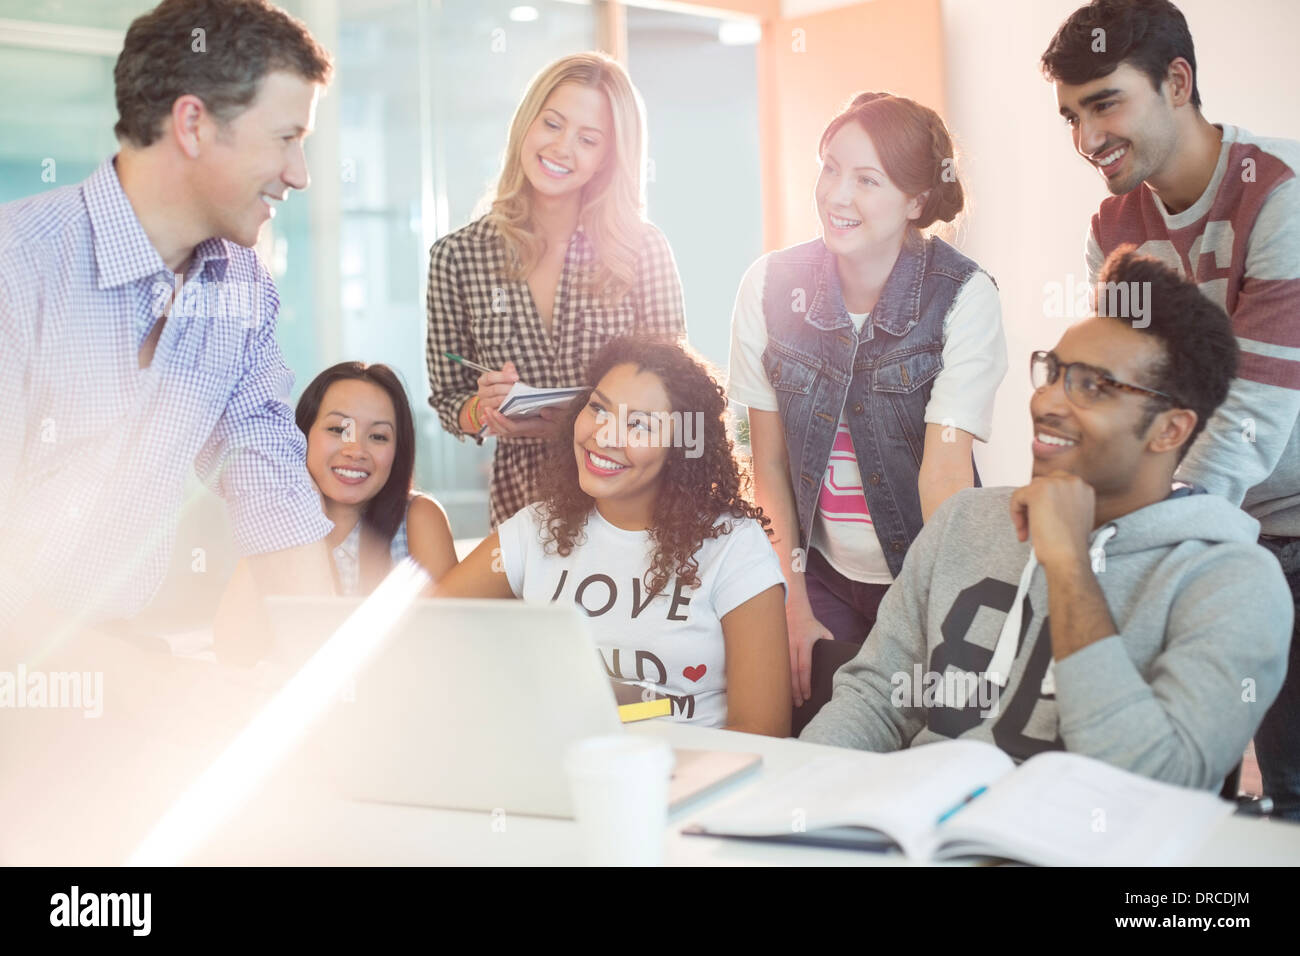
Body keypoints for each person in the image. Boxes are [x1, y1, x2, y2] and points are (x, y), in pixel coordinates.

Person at [800, 249, 1292, 791]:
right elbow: (875, 702)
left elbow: (1155, 779)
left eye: (1092, 386)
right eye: (1053, 373)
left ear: (1170, 430)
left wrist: (1069, 565)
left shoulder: (1235, 582)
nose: (1048, 402)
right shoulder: (965, 520)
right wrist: (792, 806)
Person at [0, 0, 335, 649]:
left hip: (109, 654)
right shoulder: (17, 270)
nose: (300, 174)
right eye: (286, 138)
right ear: (193, 124)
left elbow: (276, 500)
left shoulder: (242, 286)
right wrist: (140, 682)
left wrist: (334, 679)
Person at [1044, 0, 1300, 816]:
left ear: (1177, 82)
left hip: (1281, 519)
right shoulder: (1113, 223)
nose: (1087, 140)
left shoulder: (1280, 196)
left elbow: (1251, 419)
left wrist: (1142, 540)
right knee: (1180, 791)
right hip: (1189, 523)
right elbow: (1118, 393)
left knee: (1290, 789)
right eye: (1071, 116)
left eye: (1105, 103)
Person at [727, 92, 1007, 710]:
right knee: (817, 725)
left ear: (916, 201)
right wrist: (789, 597)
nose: (836, 195)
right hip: (818, 573)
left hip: (922, 571)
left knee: (922, 738)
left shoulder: (963, 296)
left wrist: (942, 608)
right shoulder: (771, 287)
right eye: (830, 167)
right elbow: (766, 462)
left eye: (866, 180)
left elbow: (945, 473)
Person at [434, 336, 790, 737]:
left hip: (687, 781)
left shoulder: (732, 545)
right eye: (598, 409)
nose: (604, 436)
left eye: (639, 424)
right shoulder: (535, 529)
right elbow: (423, 629)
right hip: (558, 776)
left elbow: (763, 730)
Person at [425, 52, 687, 530]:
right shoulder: (457, 256)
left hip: (628, 493)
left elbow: (678, 392)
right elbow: (447, 396)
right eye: (552, 124)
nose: (563, 148)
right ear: (527, 123)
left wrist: (588, 412)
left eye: (588, 139)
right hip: (521, 500)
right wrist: (481, 410)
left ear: (609, 156)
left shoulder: (642, 248)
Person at [297, 362, 458, 595]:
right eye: (338, 430)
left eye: (378, 436)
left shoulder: (418, 519)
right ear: (302, 433)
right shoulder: (276, 523)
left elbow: (449, 628)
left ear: (397, 450)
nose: (356, 450)